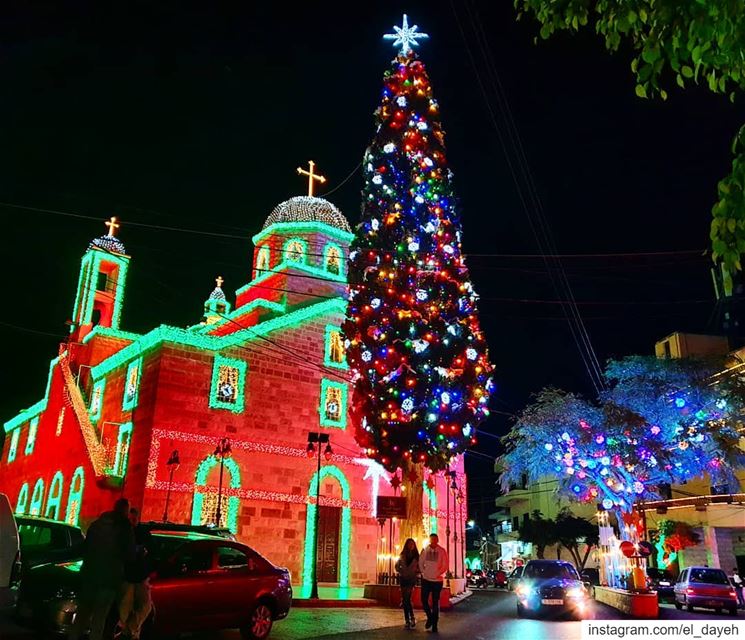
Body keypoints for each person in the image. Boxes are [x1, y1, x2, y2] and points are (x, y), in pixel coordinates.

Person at [69, 498, 135, 640]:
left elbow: (85, 548)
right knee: (99, 619)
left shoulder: (97, 525)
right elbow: (129, 554)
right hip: (108, 580)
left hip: (90, 576)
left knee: (82, 615)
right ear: (125, 510)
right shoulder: (124, 527)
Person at [117, 508, 153, 639]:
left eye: (134, 519)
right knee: (125, 607)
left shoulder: (143, 533)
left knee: (145, 605)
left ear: (138, 518)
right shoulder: (124, 534)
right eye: (130, 519)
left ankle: (130, 630)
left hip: (140, 575)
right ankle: (131, 632)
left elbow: (151, 552)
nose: (132, 522)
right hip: (127, 576)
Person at [419, 533, 449, 633]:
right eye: (432, 539)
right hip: (426, 579)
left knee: (435, 602)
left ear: (438, 540)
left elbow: (445, 565)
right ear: (430, 540)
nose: (433, 541)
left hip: (437, 581)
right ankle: (430, 617)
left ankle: (434, 624)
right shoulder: (425, 550)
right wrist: (424, 572)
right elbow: (420, 562)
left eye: (435, 539)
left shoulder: (442, 551)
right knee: (424, 600)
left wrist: (437, 573)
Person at [395, 538, 420, 628]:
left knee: (407, 598)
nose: (411, 545)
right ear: (406, 545)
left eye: (412, 544)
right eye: (409, 544)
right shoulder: (402, 555)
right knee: (406, 600)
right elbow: (397, 565)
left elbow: (420, 567)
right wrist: (401, 571)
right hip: (403, 579)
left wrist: (416, 572)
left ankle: (410, 619)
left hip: (411, 579)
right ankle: (408, 619)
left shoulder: (417, 556)